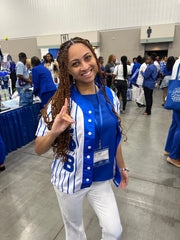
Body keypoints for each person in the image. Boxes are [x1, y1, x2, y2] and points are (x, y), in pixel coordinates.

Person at [35, 37, 128, 240]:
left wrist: (121, 167)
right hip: (70, 180)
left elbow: (115, 137)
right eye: (75, 64)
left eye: (88, 58)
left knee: (114, 230)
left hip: (101, 178)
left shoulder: (110, 96)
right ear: (67, 70)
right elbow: (39, 148)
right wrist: (54, 132)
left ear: (95, 58)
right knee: (75, 233)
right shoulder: (60, 103)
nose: (85, 67)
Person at [164, 57, 180, 167]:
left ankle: (168, 149)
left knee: (175, 125)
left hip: (176, 98)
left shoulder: (178, 61)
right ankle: (174, 156)